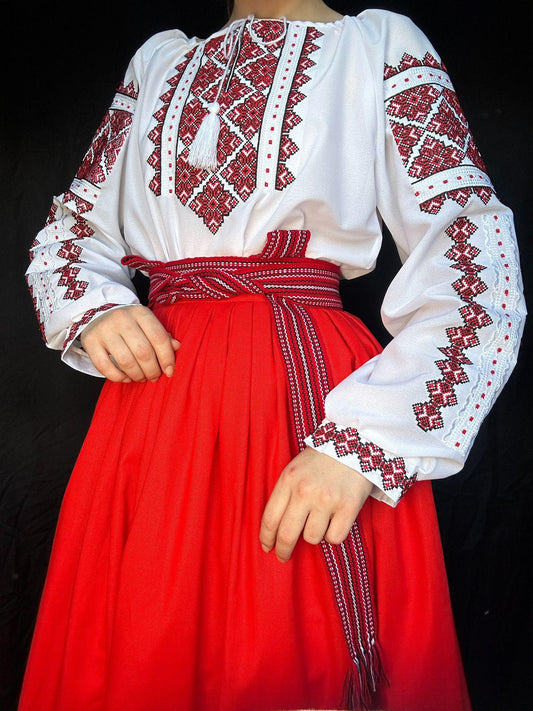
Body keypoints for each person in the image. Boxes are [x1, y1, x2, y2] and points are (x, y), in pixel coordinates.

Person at [19, 0, 526, 709]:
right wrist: (94, 306)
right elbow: (69, 234)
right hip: (156, 416)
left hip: (307, 409)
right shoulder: (158, 59)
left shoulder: (374, 45)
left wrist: (362, 444)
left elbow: (469, 257)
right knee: (146, 646)